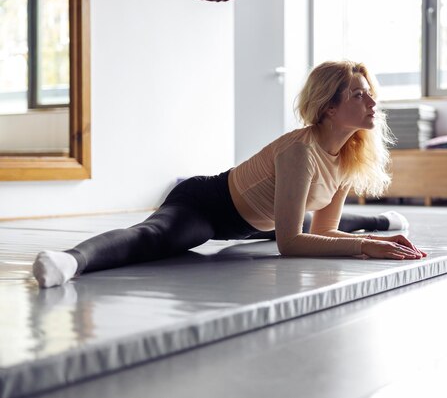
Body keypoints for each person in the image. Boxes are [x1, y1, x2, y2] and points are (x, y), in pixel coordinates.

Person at [33, 60, 427, 289]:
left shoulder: (348, 155)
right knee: (152, 238)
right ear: (328, 108)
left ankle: (379, 219)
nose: (373, 102)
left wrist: (373, 240)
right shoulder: (299, 151)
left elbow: (323, 230)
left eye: (369, 92)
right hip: (210, 206)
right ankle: (68, 261)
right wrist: (363, 247)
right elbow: (290, 243)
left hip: (260, 220)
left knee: (308, 216)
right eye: (359, 94)